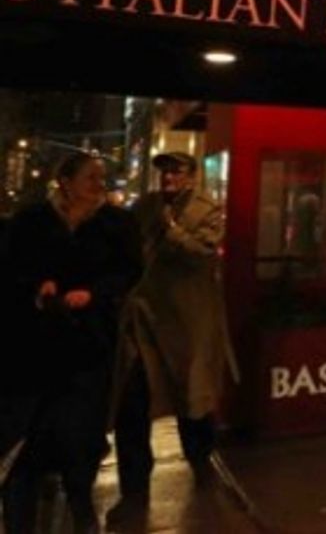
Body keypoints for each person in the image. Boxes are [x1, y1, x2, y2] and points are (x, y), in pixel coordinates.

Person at [1, 154, 139, 534]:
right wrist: (38, 287)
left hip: (89, 344)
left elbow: (128, 270)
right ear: (65, 181)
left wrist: (94, 293)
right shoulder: (31, 221)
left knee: (81, 433)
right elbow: (11, 267)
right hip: (34, 347)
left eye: (101, 177)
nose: (99, 184)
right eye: (90, 177)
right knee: (27, 437)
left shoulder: (115, 223)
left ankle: (81, 507)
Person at [108, 151, 237, 524]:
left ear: (192, 176)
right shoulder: (145, 207)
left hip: (186, 324)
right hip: (144, 320)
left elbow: (203, 253)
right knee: (133, 402)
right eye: (164, 171)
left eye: (176, 171)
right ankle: (133, 489)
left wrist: (171, 229)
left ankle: (201, 463)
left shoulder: (207, 209)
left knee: (191, 400)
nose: (168, 177)